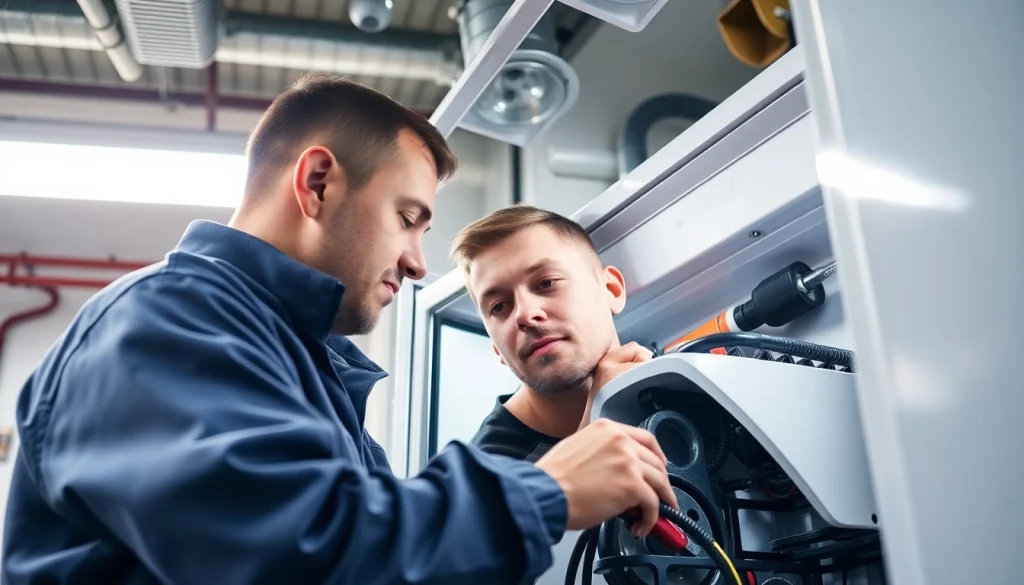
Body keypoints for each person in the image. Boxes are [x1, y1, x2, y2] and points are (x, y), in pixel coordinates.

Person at [1, 74, 678, 585]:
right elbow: (299, 552)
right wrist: (549, 490)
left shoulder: (299, 360)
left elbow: (384, 541)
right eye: (409, 217)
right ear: (319, 182)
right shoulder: (164, 324)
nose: (416, 261)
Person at [449, 205, 654, 462]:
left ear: (611, 290)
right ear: (496, 348)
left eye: (546, 283)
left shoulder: (685, 387)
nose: (524, 315)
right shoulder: (484, 478)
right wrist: (600, 417)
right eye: (499, 307)